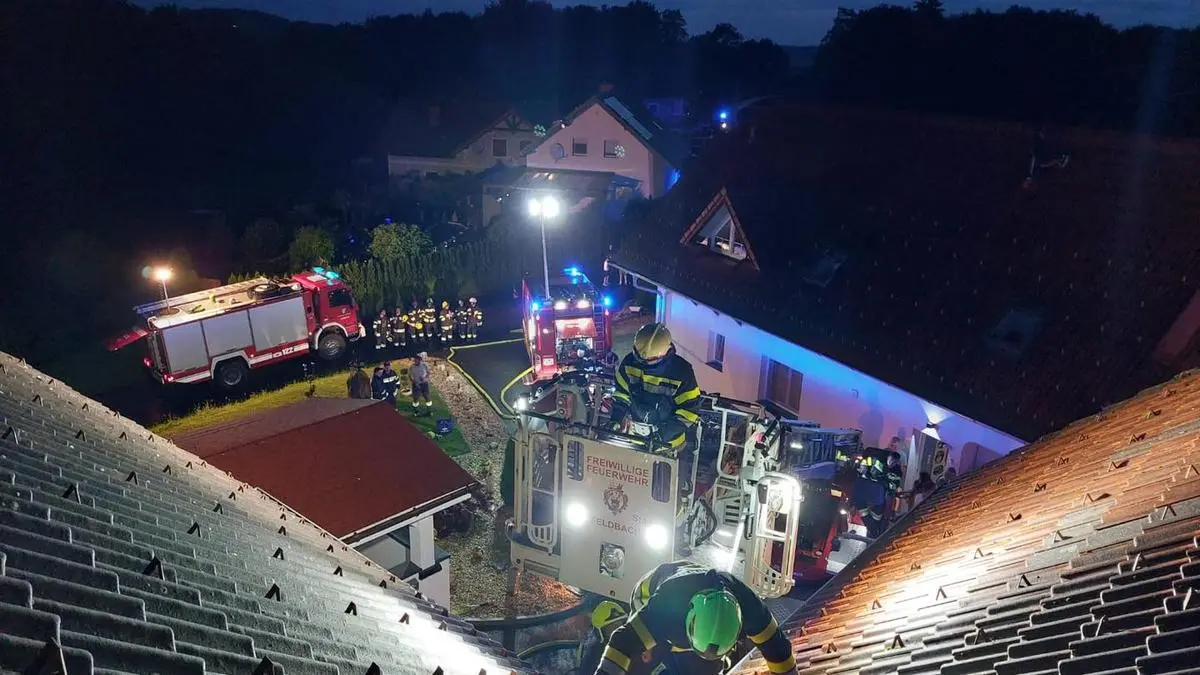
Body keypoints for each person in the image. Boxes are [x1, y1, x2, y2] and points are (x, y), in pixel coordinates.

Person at [594, 561, 796, 675]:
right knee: (643, 660)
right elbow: (622, 642)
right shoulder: (665, 609)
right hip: (649, 595)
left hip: (694, 606)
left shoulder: (751, 609)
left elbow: (779, 651)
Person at [609, 323, 701, 452]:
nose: (644, 364)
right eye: (639, 358)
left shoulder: (682, 371)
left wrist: (662, 436)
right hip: (635, 439)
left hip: (670, 445)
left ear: (667, 352)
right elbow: (621, 394)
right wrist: (616, 418)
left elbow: (688, 412)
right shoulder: (629, 362)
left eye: (651, 360)